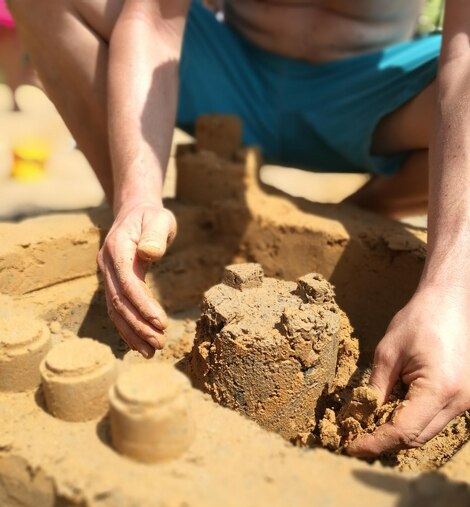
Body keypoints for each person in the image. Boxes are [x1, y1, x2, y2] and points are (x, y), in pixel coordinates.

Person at [7, 0, 470, 457]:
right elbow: (152, 20)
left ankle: (365, 215)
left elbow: (462, 61)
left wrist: (449, 296)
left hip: (367, 99)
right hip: (228, 77)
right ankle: (144, 232)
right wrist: (137, 197)